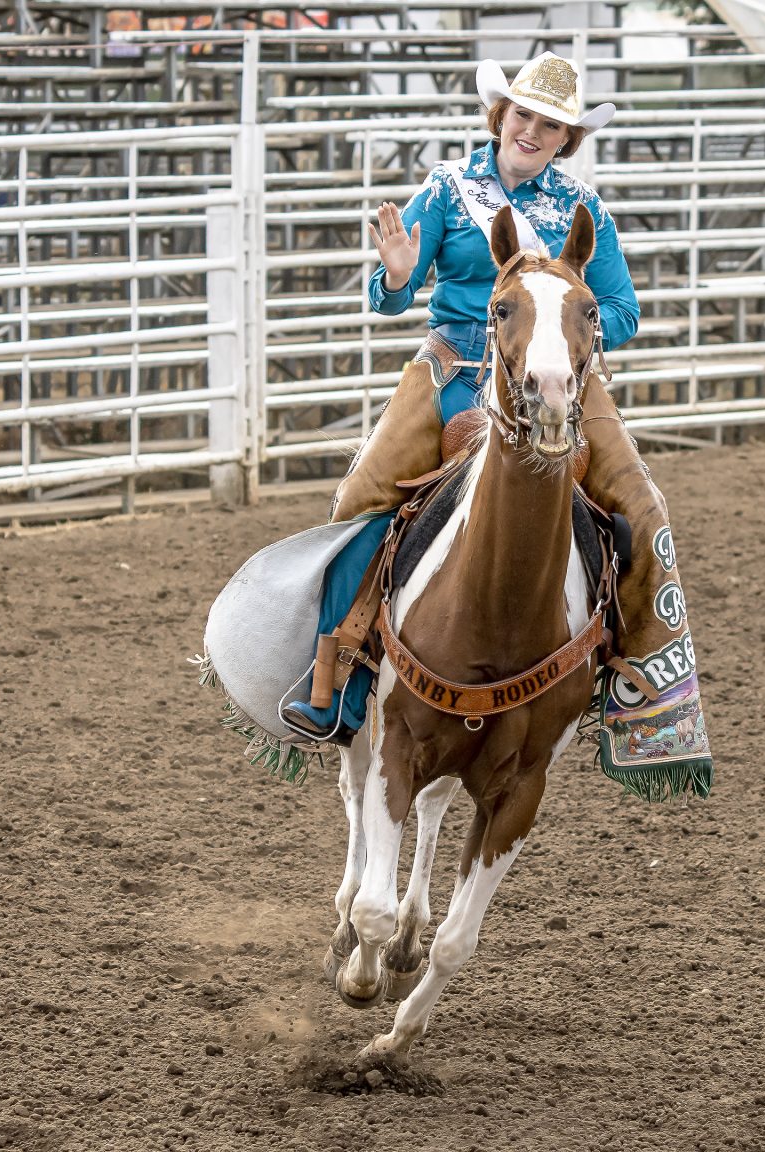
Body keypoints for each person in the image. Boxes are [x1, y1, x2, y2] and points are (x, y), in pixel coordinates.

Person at [282, 52, 711, 799]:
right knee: (359, 501)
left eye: (552, 125)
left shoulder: (585, 210)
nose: (535, 131)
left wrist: (561, 323)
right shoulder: (448, 190)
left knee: (645, 509)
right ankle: (337, 679)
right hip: (453, 370)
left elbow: (624, 310)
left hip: (560, 380)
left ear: (567, 138)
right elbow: (394, 292)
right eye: (525, 116)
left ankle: (642, 696)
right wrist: (394, 274)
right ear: (500, 117)